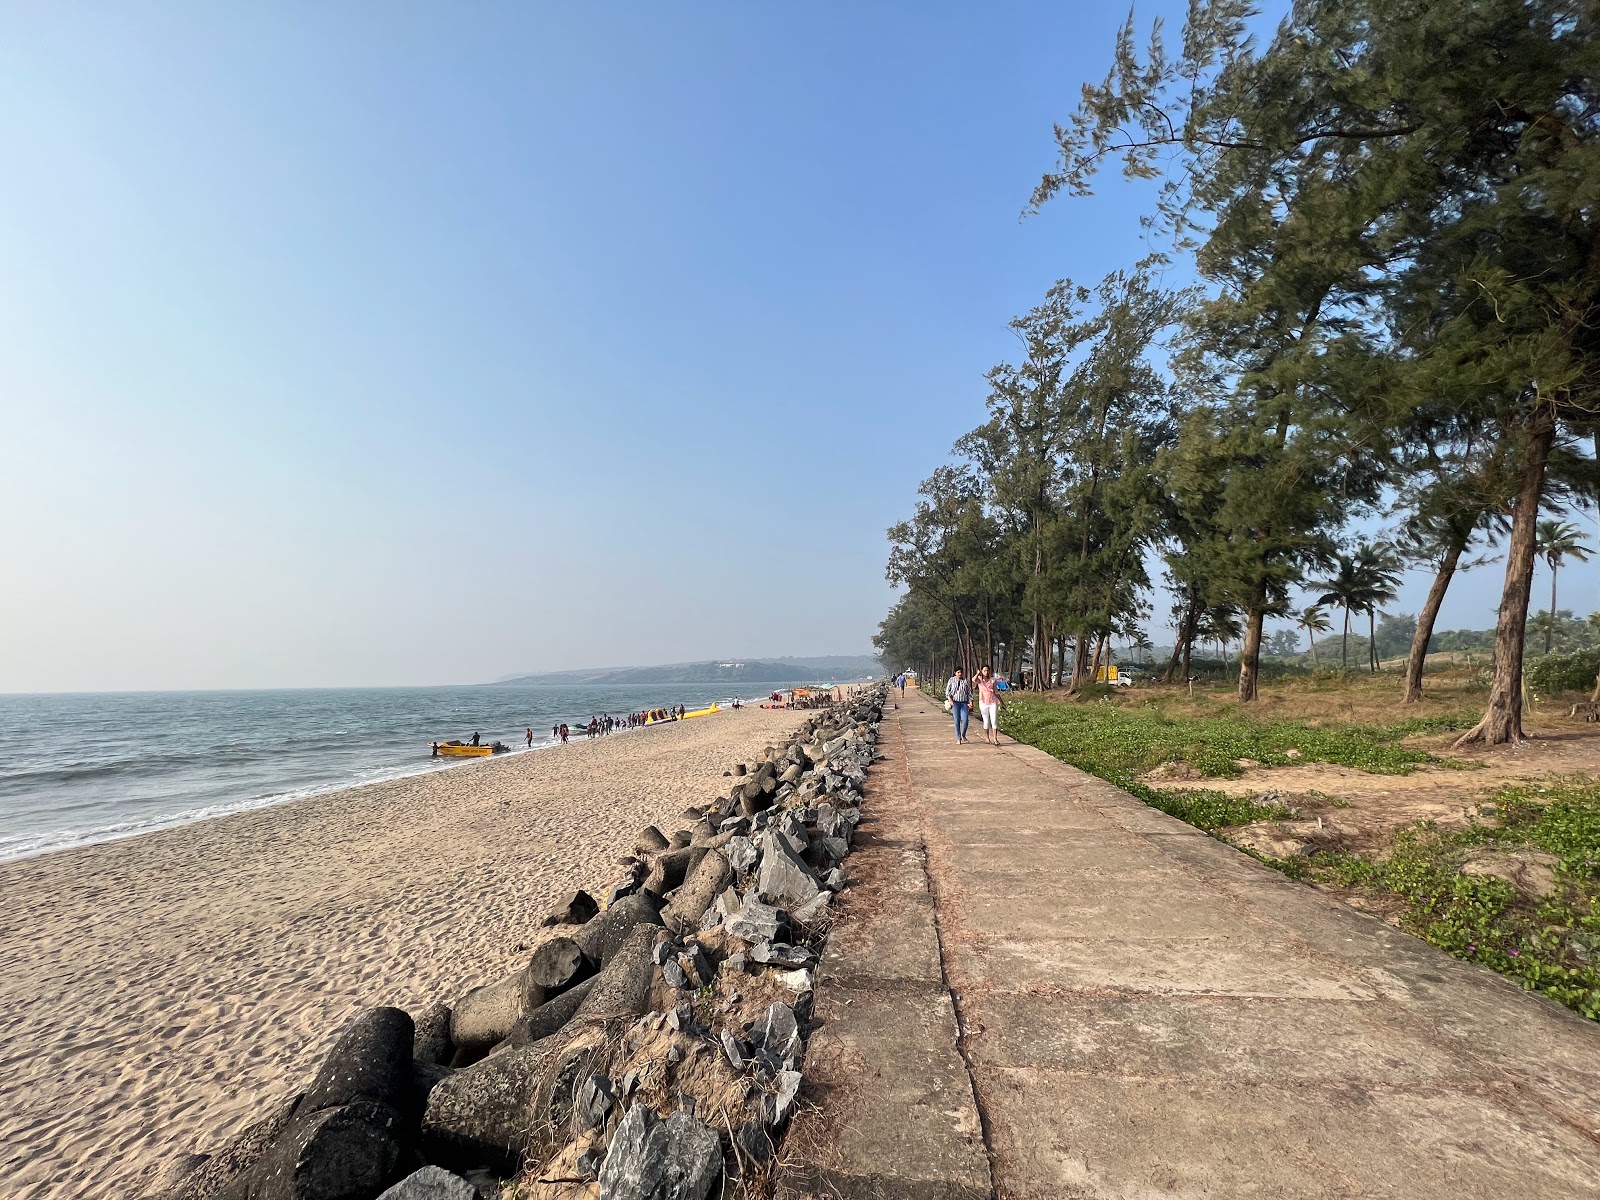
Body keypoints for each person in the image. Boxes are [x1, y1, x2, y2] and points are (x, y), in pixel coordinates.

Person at [974, 666, 1002, 746]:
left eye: (988, 670)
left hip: (992, 702)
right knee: (986, 721)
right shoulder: (980, 680)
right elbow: (973, 680)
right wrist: (977, 674)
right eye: (985, 670)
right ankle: (987, 737)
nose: (986, 672)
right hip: (983, 702)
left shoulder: (993, 680)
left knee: (994, 720)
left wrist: (1002, 702)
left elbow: (996, 692)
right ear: (982, 671)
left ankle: (995, 738)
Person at [945, 668, 972, 745]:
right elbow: (947, 691)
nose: (959, 674)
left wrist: (970, 702)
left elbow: (969, 693)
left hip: (964, 703)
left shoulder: (965, 681)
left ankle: (963, 735)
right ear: (955, 673)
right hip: (955, 703)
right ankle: (958, 737)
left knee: (965, 720)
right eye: (958, 672)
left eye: (961, 672)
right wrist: (950, 700)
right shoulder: (951, 680)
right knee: (957, 721)